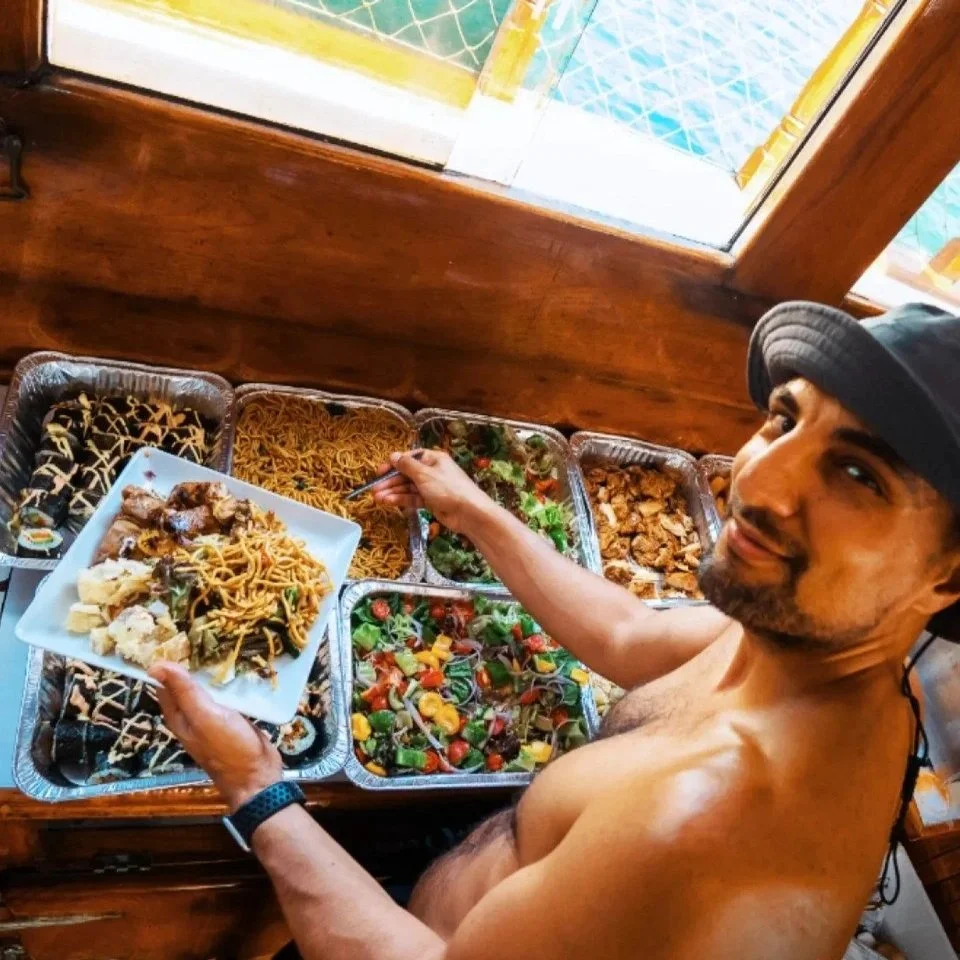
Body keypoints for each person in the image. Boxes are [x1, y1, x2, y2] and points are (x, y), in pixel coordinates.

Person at [150, 300, 960, 960]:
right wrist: (473, 509)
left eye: (858, 473)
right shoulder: (816, 648)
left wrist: (257, 789)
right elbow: (630, 635)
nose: (754, 480)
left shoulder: (701, 826)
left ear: (948, 576)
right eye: (785, 418)